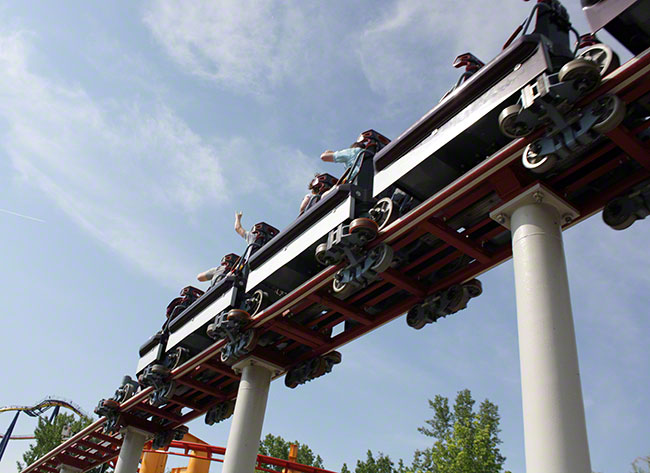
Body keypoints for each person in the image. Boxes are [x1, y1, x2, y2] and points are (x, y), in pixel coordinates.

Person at [320, 129, 390, 184]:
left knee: (324, 196)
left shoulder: (351, 152)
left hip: (355, 183)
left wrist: (330, 152)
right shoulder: (373, 154)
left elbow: (323, 157)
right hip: (376, 180)